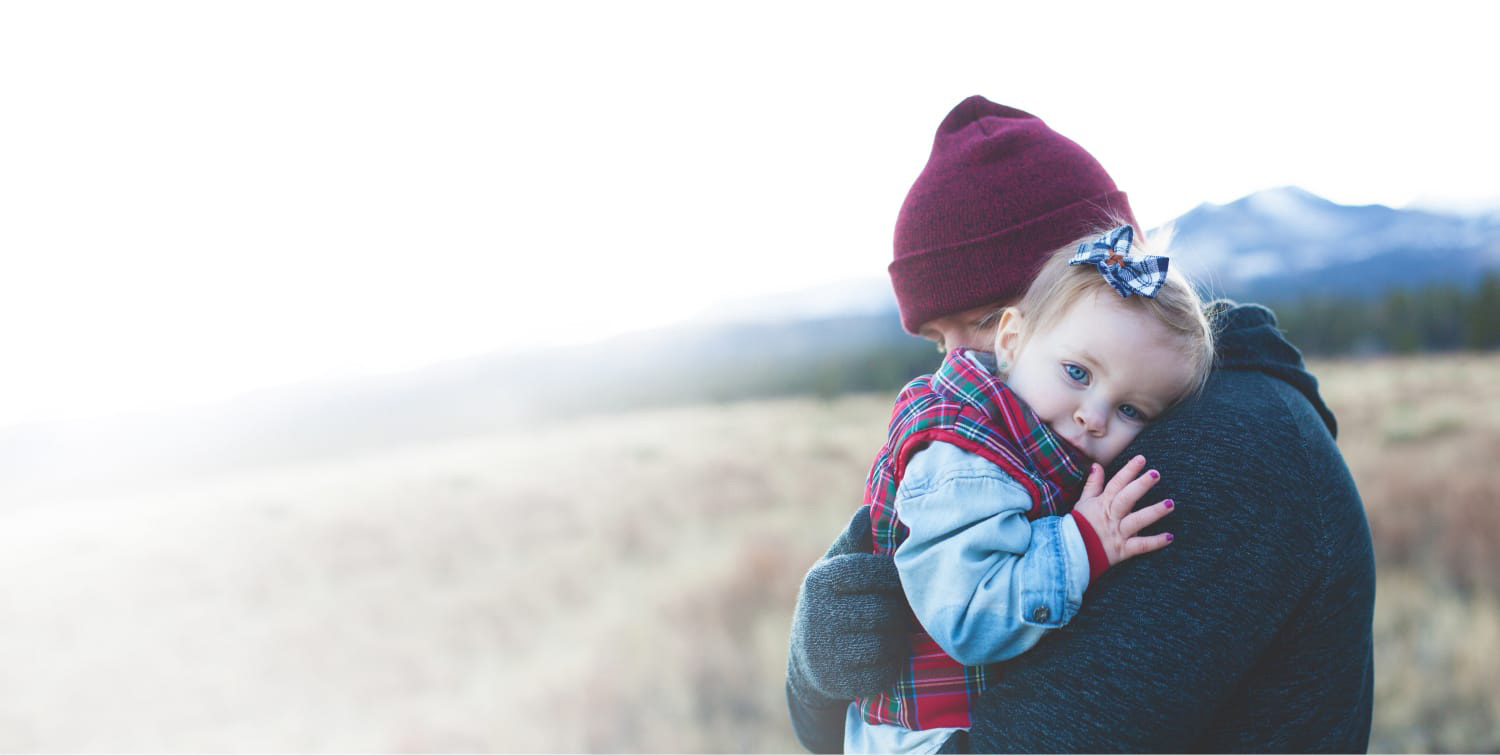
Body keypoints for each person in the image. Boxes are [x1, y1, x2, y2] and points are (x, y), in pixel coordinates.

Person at [785, 96, 1375, 752]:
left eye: (985, 321)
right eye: (936, 340)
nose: (957, 365)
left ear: (1099, 279)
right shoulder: (1032, 441)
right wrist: (817, 666)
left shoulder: (1225, 451)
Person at [846, 224, 1215, 755]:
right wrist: (1082, 543)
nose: (1094, 417)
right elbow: (969, 617)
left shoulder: (1032, 439)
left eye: (1131, 409)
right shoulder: (965, 460)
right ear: (1011, 341)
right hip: (925, 739)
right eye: (1077, 373)